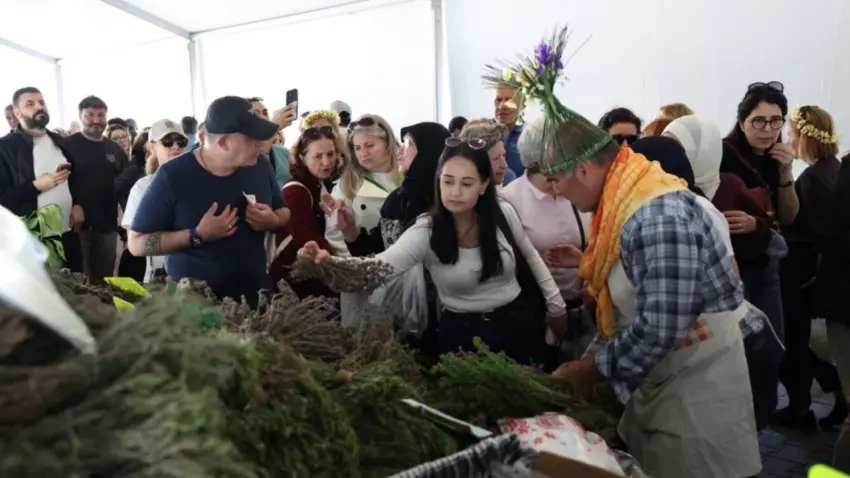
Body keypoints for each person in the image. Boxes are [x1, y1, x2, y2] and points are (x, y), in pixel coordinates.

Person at [489, 28, 761, 477]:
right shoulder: (620, 203)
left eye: (554, 181)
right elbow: (626, 310)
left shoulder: (656, 216)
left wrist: (589, 371)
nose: (554, 193)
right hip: (664, 390)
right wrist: (589, 361)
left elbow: (662, 326)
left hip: (699, 403)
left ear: (580, 167)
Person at [299, 138, 566, 365]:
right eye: (448, 182)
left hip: (517, 325)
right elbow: (376, 269)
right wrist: (327, 263)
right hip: (463, 338)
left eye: (466, 183)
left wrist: (557, 307)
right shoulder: (426, 231)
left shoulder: (502, 213)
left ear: (484, 186)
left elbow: (531, 257)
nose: (455, 192)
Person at [128, 97, 290, 307]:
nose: (260, 144)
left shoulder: (260, 165)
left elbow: (283, 210)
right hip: (194, 307)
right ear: (222, 143)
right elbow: (137, 243)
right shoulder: (173, 176)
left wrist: (273, 220)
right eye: (251, 138)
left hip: (255, 301)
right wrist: (197, 235)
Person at [0, 86, 84, 272]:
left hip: (68, 234)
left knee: (79, 293)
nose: (39, 107)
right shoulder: (5, 148)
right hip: (33, 241)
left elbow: (76, 179)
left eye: (41, 102)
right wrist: (36, 186)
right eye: (30, 104)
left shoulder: (61, 142)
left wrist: (78, 204)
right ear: (17, 112)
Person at [63, 95, 128, 285]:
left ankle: (104, 314)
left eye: (101, 115)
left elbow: (124, 186)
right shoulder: (67, 146)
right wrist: (73, 204)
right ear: (80, 116)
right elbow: (58, 181)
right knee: (78, 281)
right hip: (75, 227)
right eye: (90, 115)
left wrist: (127, 223)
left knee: (104, 280)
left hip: (107, 225)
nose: (96, 120)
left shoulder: (114, 149)